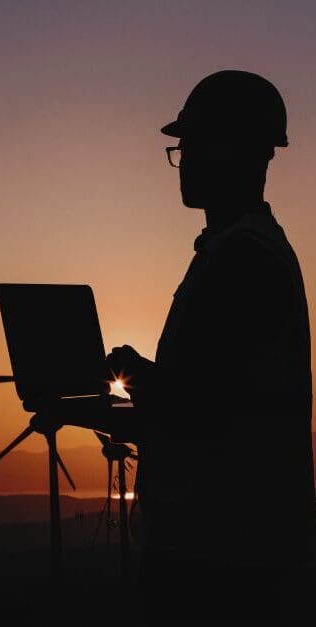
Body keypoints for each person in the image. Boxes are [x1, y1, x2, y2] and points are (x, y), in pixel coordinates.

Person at [30, 70, 315, 626]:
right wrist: (139, 377)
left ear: (246, 151)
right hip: (227, 548)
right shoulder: (233, 251)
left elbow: (200, 418)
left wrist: (79, 406)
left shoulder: (243, 260)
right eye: (181, 147)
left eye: (197, 144)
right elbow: (210, 393)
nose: (184, 160)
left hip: (221, 560)